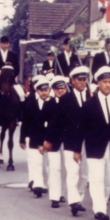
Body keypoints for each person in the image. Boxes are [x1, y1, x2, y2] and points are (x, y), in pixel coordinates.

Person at [75, 67, 110, 220]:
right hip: (95, 148)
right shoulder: (89, 103)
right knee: (96, 179)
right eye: (105, 82)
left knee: (108, 181)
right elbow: (80, 128)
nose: (108, 85)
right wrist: (77, 150)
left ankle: (102, 205)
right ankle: (100, 211)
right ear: (98, 83)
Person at [44, 66, 90, 216]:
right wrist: (49, 139)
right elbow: (56, 122)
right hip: (71, 141)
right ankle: (73, 201)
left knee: (85, 175)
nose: (82, 83)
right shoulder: (66, 99)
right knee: (73, 172)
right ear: (72, 81)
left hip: (88, 142)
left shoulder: (91, 97)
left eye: (84, 80)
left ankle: (79, 198)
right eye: (79, 80)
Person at [20, 76, 53, 199]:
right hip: (34, 138)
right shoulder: (30, 105)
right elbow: (25, 123)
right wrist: (22, 139)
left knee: (47, 164)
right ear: (37, 91)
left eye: (46, 90)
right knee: (36, 163)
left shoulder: (53, 104)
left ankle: (47, 183)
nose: (44, 93)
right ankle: (38, 185)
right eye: (41, 90)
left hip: (49, 139)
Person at [41, 76, 69, 208]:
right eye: (58, 89)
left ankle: (62, 193)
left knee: (65, 169)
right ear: (53, 90)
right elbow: (44, 125)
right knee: (54, 168)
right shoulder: (49, 104)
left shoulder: (71, 102)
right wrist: (44, 141)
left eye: (63, 88)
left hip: (68, 141)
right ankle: (54, 197)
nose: (61, 91)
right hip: (53, 142)